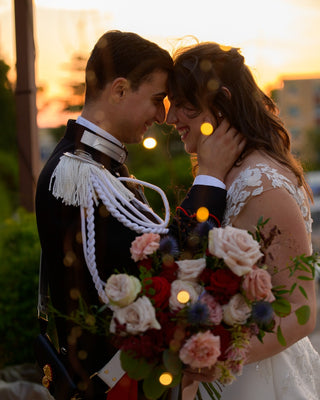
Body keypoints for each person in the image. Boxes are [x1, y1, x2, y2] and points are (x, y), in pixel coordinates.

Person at [35, 31, 244, 400]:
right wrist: (209, 176)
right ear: (118, 90)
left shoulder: (100, 168)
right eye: (157, 99)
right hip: (115, 385)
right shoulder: (79, 175)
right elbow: (167, 264)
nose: (163, 115)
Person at [166, 41, 320, 399]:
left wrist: (219, 357)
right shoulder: (224, 174)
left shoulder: (262, 183)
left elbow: (301, 309)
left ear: (221, 102)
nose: (171, 118)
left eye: (183, 105)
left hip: (253, 377)